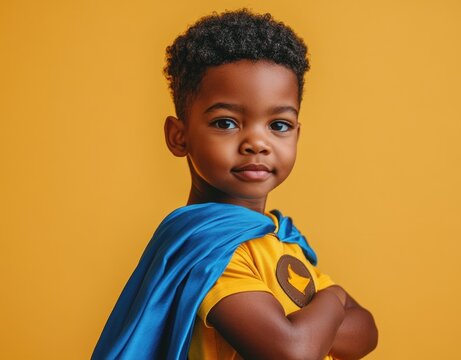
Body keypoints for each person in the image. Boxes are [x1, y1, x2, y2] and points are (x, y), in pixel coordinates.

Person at [93, 9, 378, 360]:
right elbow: (294, 351)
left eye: (279, 125)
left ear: (297, 135)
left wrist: (316, 323)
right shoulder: (213, 253)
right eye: (226, 123)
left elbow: (366, 332)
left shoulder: (279, 237)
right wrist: (334, 300)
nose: (257, 142)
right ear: (178, 136)